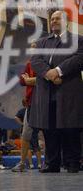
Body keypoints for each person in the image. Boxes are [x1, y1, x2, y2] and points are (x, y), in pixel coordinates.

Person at [30, 10, 83, 173]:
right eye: (51, 19)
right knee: (49, 128)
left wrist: (59, 71)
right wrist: (49, 74)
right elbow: (35, 61)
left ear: (66, 21)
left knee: (70, 128)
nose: (53, 21)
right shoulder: (42, 43)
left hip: (69, 91)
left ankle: (72, 162)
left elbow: (79, 58)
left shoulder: (78, 40)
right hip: (46, 92)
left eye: (57, 18)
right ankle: (52, 163)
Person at [12, 47, 42, 172]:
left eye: (35, 48)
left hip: (43, 102)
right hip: (31, 102)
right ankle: (22, 163)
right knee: (26, 133)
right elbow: (22, 81)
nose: (32, 50)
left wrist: (31, 80)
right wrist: (28, 82)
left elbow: (46, 79)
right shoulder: (30, 63)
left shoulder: (45, 63)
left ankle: (50, 162)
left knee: (49, 132)